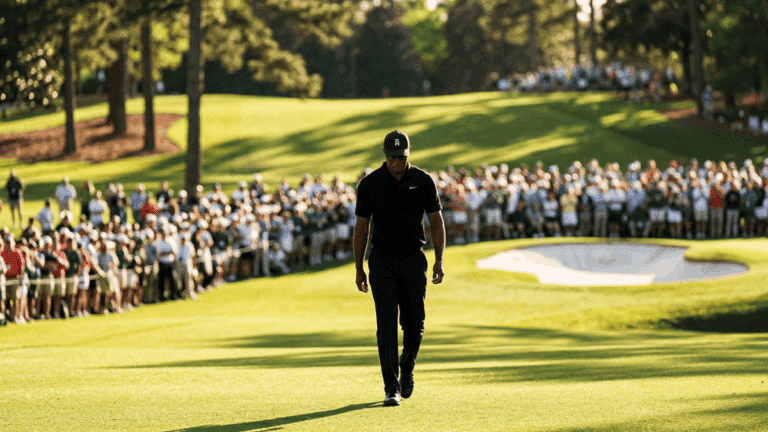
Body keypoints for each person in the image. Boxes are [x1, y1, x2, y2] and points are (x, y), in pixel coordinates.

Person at [353, 130, 446, 407]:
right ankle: (391, 387)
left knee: (415, 324)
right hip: (381, 260)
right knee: (386, 325)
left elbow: (436, 222)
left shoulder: (423, 180)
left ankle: (407, 369)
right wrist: (358, 268)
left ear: (409, 154)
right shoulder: (370, 184)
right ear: (384, 154)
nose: (397, 162)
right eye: (392, 157)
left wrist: (439, 259)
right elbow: (361, 228)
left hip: (412, 258)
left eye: (401, 157)